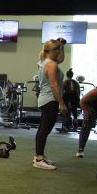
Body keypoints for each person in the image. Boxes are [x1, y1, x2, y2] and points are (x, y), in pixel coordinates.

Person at [33, 38, 67, 170]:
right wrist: (62, 103)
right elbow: (54, 85)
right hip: (50, 100)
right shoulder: (51, 65)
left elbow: (61, 59)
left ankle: (38, 156)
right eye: (58, 50)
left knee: (42, 129)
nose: (59, 53)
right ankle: (39, 159)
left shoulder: (43, 62)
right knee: (45, 130)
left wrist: (62, 45)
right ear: (52, 50)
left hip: (44, 99)